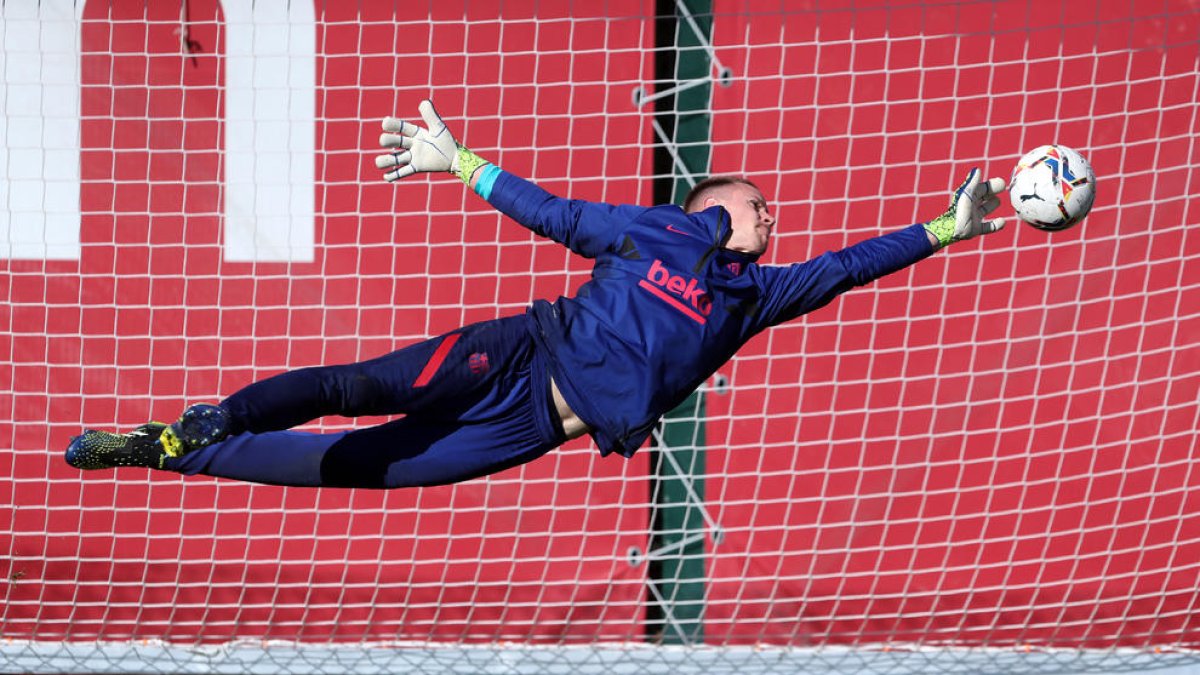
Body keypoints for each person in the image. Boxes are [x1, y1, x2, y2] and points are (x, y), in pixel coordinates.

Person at [65, 100, 1007, 488]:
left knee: (361, 469)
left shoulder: (753, 296)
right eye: (758, 206)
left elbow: (847, 267)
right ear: (715, 204)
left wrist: (948, 228)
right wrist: (460, 163)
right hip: (518, 353)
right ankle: (211, 417)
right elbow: (555, 214)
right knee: (357, 388)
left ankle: (166, 452)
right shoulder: (664, 230)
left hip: (532, 428)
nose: (774, 219)